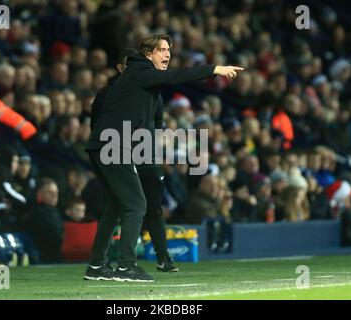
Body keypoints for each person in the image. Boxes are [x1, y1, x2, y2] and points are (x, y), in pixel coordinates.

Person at [85, 33, 243, 282]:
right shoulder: (140, 71)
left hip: (109, 145)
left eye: (168, 49)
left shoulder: (139, 78)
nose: (167, 54)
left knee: (115, 208)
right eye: (161, 49)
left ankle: (96, 267)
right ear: (148, 54)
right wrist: (215, 69)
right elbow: (175, 76)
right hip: (113, 145)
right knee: (137, 204)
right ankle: (126, 266)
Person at [91, 47, 179, 273]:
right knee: (135, 205)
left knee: (142, 206)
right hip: (116, 149)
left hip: (141, 153)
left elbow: (156, 124)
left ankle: (161, 258)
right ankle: (125, 265)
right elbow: (100, 125)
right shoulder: (110, 92)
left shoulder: (150, 89)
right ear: (120, 68)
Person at [22, 178, 64, 263]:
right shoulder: (39, 213)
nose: (54, 195)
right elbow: (57, 237)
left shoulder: (53, 211)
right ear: (39, 194)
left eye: (56, 193)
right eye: (50, 192)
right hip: (45, 259)